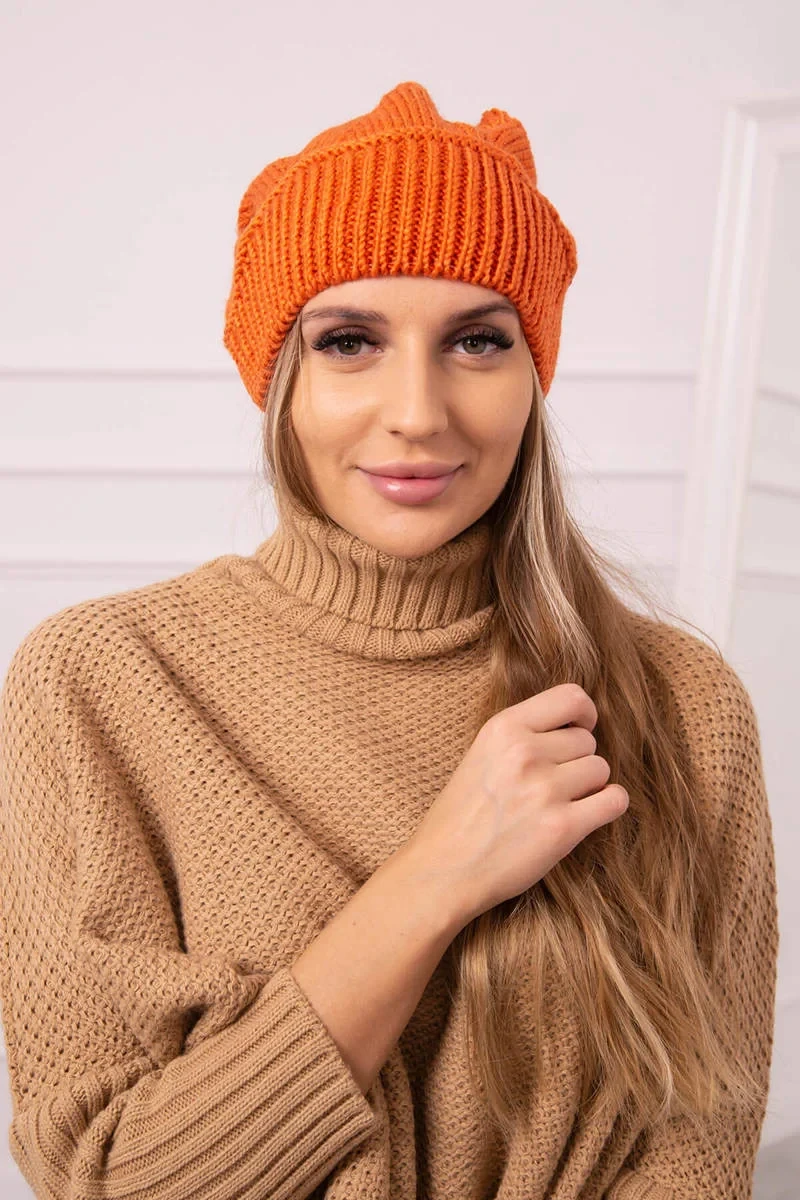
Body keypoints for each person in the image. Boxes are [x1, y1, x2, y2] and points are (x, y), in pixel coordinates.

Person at [0, 80, 778, 1200]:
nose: (416, 410)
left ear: (533, 376)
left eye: (477, 340)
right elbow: (110, 1178)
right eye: (350, 341)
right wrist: (435, 878)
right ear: (279, 379)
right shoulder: (99, 684)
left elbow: (695, 1157)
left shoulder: (680, 705)